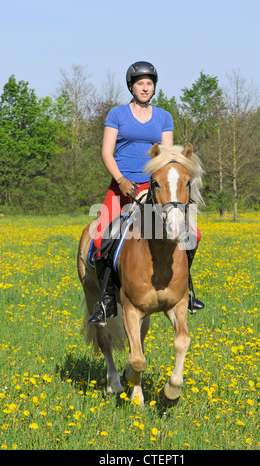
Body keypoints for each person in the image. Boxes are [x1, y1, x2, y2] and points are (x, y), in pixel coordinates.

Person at [88, 61, 204, 325]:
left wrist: (167, 184)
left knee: (191, 234)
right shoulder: (117, 114)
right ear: (131, 86)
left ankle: (186, 289)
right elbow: (107, 151)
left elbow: (167, 157)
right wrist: (120, 179)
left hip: (156, 189)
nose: (145, 87)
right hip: (122, 187)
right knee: (100, 238)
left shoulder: (164, 117)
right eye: (140, 83)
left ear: (154, 87)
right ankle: (107, 302)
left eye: (149, 83)